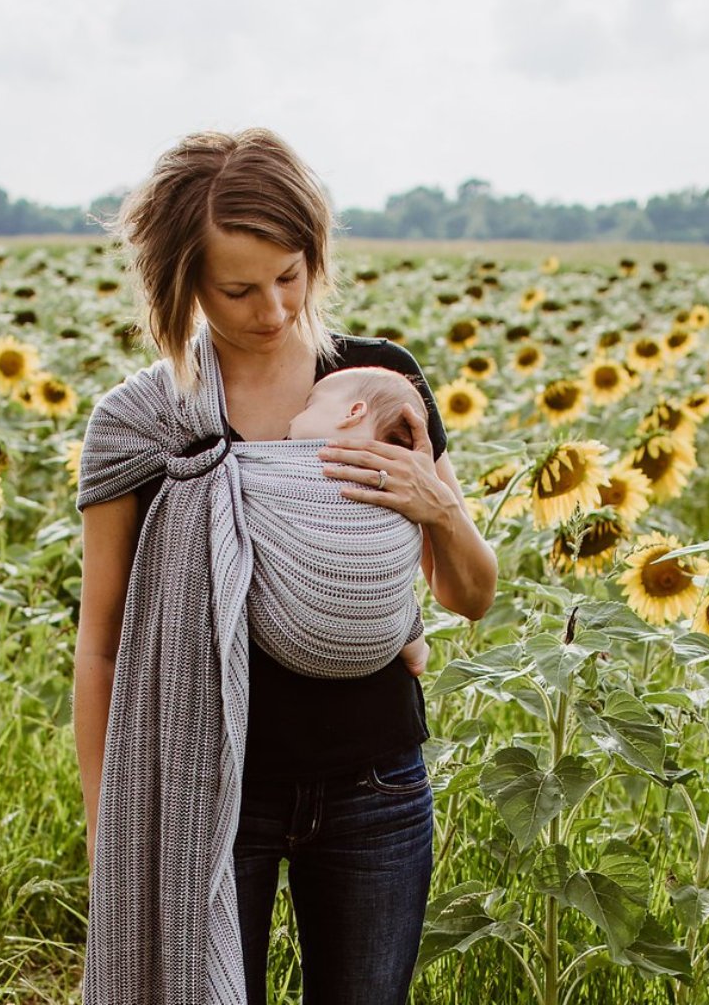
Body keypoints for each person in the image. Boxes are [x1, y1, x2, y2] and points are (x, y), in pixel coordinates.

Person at [72, 127, 498, 1005]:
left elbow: (470, 595)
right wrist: (106, 826)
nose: (271, 309)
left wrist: (439, 506)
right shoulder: (143, 425)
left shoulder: (377, 385)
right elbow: (102, 645)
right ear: (181, 281)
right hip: (210, 797)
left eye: (290, 276)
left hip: (376, 786)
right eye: (237, 289)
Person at [285, 364, 434, 677]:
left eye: (309, 406)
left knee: (393, 574)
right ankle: (414, 641)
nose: (292, 418)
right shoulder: (396, 480)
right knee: (399, 592)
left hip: (311, 620)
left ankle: (412, 635)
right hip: (378, 628)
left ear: (353, 412)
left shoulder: (296, 462)